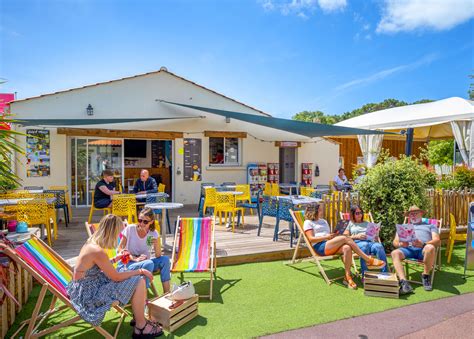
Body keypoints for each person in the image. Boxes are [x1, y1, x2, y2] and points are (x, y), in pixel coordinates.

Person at [67, 214, 163, 337]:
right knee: (139, 280)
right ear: (111, 232)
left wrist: (115, 259)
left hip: (86, 286)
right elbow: (116, 277)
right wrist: (140, 271)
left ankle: (139, 319)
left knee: (136, 279)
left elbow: (95, 266)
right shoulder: (97, 251)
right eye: (118, 232)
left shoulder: (91, 243)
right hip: (89, 295)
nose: (119, 236)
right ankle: (141, 326)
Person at [303, 203, 385, 289]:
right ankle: (368, 259)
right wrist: (326, 237)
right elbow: (311, 239)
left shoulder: (324, 221)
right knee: (346, 238)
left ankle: (347, 277)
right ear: (314, 211)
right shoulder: (308, 222)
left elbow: (328, 234)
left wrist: (333, 235)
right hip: (320, 247)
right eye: (320, 210)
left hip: (329, 243)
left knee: (347, 248)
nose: (322, 211)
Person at [118, 208, 171, 294]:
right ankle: (143, 298)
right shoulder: (130, 229)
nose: (141, 223)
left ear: (151, 222)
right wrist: (134, 258)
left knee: (165, 260)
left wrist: (157, 243)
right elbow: (119, 249)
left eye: (145, 222)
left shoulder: (153, 233)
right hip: (128, 263)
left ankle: (167, 294)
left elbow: (158, 255)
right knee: (149, 263)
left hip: (145, 262)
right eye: (140, 220)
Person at [391, 205, 440, 294]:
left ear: (421, 214)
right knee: (395, 253)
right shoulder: (403, 226)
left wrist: (424, 244)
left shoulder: (430, 225)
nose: (412, 216)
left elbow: (437, 240)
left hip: (423, 250)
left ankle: (425, 275)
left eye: (415, 213)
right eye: (410, 214)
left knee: (430, 247)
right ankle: (404, 283)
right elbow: (395, 242)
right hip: (408, 249)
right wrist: (400, 244)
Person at [343, 205, 388, 276]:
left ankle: (385, 273)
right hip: (358, 243)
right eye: (357, 213)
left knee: (379, 246)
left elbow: (374, 236)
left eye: (360, 213)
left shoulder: (367, 223)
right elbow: (345, 237)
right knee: (364, 245)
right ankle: (365, 274)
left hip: (370, 242)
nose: (360, 215)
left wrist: (375, 234)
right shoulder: (350, 224)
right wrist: (356, 236)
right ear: (353, 214)